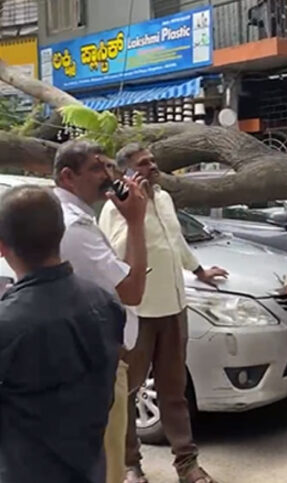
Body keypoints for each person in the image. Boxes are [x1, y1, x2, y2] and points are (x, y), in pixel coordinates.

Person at [99, 143, 227, 483]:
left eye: (153, 161)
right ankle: (131, 465)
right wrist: (134, 214)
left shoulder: (165, 198)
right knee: (128, 391)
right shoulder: (115, 208)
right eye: (144, 163)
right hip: (138, 312)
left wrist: (198, 270)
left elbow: (177, 242)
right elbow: (115, 257)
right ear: (128, 172)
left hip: (174, 307)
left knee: (174, 390)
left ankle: (187, 464)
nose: (153, 166)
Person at [0, 186, 126, 483]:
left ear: (2, 247)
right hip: (89, 468)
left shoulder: (8, 322)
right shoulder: (105, 303)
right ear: (60, 233)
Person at [53, 139, 149, 483]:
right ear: (68, 176)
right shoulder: (75, 226)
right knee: (108, 464)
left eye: (109, 166)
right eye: (96, 168)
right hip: (97, 361)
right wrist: (136, 222)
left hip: (82, 355)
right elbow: (133, 291)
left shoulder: (73, 216)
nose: (108, 175)